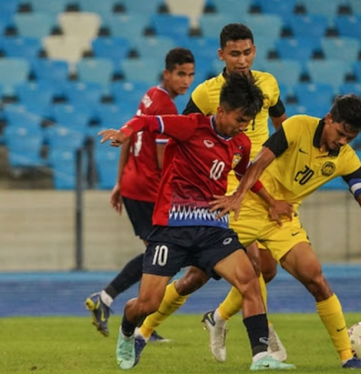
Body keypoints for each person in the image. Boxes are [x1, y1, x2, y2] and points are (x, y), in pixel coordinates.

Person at [99, 73, 296, 371]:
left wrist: (267, 202)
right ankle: (128, 331)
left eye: (248, 121)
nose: (243, 127)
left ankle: (261, 357)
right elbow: (147, 122)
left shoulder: (240, 143)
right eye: (240, 119)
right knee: (147, 304)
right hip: (171, 229)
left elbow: (246, 176)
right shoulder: (190, 125)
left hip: (212, 229)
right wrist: (125, 132)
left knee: (249, 282)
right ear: (221, 111)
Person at [205, 94, 361, 369]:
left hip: (282, 218)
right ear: (329, 119)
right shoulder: (297, 126)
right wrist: (237, 195)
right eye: (340, 133)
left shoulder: (346, 160)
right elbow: (258, 163)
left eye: (349, 138)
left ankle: (347, 357)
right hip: (249, 206)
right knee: (197, 275)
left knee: (315, 277)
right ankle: (142, 329)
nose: (342, 141)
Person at [136, 23, 290, 362]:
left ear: (255, 51)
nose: (242, 59)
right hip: (221, 192)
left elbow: (283, 124)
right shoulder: (207, 93)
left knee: (261, 270)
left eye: (247, 52)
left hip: (259, 183)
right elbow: (186, 134)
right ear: (221, 54)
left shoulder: (269, 83)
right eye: (234, 53)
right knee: (248, 269)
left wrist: (282, 164)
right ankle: (263, 345)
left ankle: (214, 318)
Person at [84, 48, 196, 340]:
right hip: (149, 191)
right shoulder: (166, 106)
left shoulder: (150, 95)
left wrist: (121, 181)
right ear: (167, 74)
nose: (186, 81)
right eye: (181, 74)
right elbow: (163, 160)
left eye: (191, 75)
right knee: (164, 256)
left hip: (135, 185)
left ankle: (115, 306)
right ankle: (124, 313)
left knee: (157, 255)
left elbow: (129, 135)